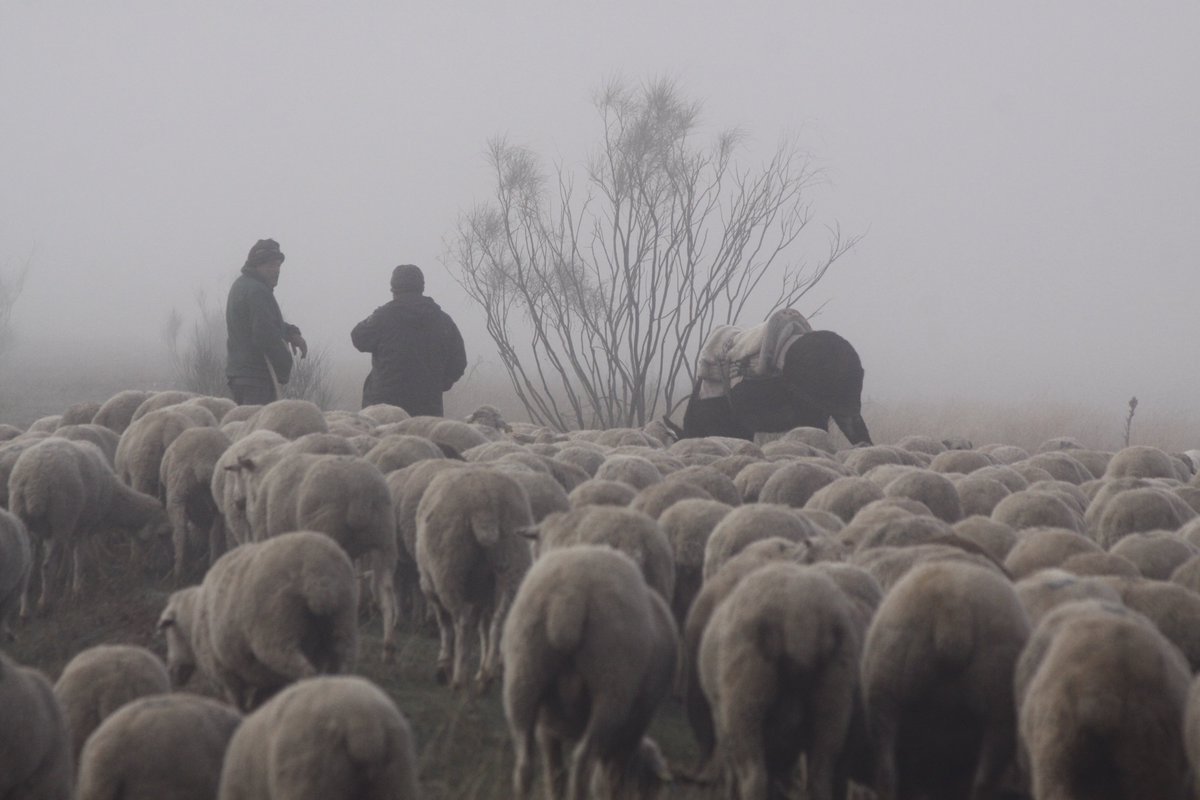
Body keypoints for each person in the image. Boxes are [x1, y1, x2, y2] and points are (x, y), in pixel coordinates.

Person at [351, 264, 466, 416]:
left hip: (383, 412)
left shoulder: (383, 317)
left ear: (394, 289)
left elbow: (358, 338)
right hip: (427, 412)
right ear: (422, 287)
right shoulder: (442, 320)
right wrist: (438, 384)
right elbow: (459, 362)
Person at [225, 238, 307, 405]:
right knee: (261, 428)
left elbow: (261, 322)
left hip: (240, 375)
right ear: (257, 265)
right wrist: (284, 366)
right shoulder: (257, 291)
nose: (276, 270)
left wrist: (290, 332)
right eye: (270, 265)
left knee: (245, 427)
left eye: (278, 265)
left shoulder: (242, 286)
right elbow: (264, 334)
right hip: (257, 379)